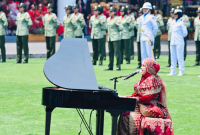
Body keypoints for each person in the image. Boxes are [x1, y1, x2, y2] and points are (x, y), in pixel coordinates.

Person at [117, 58, 174, 135]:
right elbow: (137, 95)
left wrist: (129, 99)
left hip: (150, 106)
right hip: (142, 104)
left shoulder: (153, 79)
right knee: (125, 112)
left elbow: (145, 98)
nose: (141, 67)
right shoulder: (145, 78)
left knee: (130, 113)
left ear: (149, 68)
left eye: (143, 66)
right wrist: (125, 97)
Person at [167, 9, 188, 76]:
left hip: (179, 41)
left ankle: (181, 71)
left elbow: (185, 33)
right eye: (174, 14)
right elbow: (170, 31)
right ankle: (173, 71)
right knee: (173, 57)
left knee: (180, 57)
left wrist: (179, 36)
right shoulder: (172, 22)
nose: (175, 15)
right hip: (172, 41)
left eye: (176, 14)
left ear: (179, 15)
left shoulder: (182, 22)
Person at [104, 7, 123, 71]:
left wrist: (116, 32)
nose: (110, 12)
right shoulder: (108, 19)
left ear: (115, 12)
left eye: (112, 11)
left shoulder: (117, 19)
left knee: (117, 52)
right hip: (110, 38)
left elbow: (121, 27)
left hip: (116, 38)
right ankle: (110, 66)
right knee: (110, 52)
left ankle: (118, 66)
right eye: (110, 11)